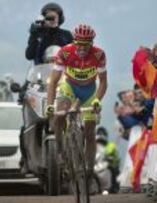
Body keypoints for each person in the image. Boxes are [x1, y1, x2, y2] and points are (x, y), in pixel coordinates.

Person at [46, 24, 108, 180]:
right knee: (59, 115)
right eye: (79, 44)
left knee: (90, 132)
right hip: (70, 88)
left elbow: (103, 82)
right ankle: (60, 150)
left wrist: (97, 101)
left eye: (86, 45)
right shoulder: (65, 53)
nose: (81, 49)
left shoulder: (99, 55)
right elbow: (53, 81)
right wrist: (49, 104)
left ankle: (89, 169)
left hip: (89, 92)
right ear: (74, 42)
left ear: (91, 44)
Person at [96, 126, 120, 193]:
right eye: (99, 133)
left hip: (107, 164)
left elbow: (117, 159)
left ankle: (114, 186)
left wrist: (111, 159)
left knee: (114, 170)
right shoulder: (93, 146)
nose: (101, 135)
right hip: (97, 164)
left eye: (102, 133)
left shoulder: (111, 145)